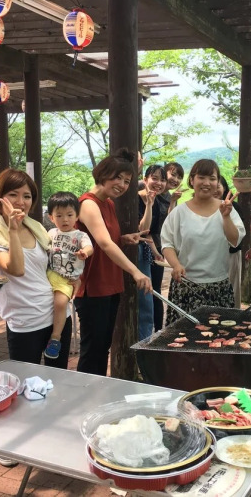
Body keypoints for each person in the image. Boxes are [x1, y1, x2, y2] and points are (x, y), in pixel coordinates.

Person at [0, 169, 73, 370]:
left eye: (27, 196)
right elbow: (16, 269)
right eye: (13, 194)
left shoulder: (35, 227)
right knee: (26, 381)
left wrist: (72, 278)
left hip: (57, 316)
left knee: (59, 377)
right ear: (0, 197)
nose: (21, 202)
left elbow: (50, 266)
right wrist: (12, 229)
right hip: (25, 322)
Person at [74, 148, 152, 376]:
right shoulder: (88, 204)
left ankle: (97, 389)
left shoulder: (107, 203)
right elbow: (105, 244)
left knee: (102, 347)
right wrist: (135, 271)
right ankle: (85, 392)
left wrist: (124, 238)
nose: (122, 185)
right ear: (103, 173)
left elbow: (106, 240)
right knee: (92, 350)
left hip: (110, 283)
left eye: (127, 181)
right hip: (93, 286)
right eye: (118, 177)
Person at [161, 159, 245, 324]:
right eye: (201, 177)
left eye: (212, 178)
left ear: (218, 182)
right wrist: (176, 265)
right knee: (183, 335)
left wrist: (226, 217)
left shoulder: (226, 209)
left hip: (219, 286)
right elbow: (167, 243)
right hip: (186, 285)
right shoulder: (179, 212)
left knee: (219, 335)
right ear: (192, 180)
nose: (207, 183)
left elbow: (235, 240)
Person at [44, 192, 93, 359]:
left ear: (77, 216)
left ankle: (55, 338)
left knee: (60, 303)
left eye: (69, 215)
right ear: (51, 217)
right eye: (59, 215)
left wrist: (84, 252)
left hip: (66, 279)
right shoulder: (51, 233)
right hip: (49, 273)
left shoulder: (80, 235)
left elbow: (89, 247)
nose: (65, 219)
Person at [150, 162, 185, 330]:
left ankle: (158, 329)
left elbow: (168, 224)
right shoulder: (151, 192)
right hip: (147, 244)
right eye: (173, 174)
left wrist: (172, 202)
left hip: (159, 246)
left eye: (179, 177)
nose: (175, 179)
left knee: (155, 289)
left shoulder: (170, 197)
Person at [137, 165, 167, 340]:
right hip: (134, 252)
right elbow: (142, 229)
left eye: (162, 180)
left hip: (146, 250)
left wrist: (156, 252)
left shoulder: (155, 201)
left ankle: (149, 337)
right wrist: (148, 205)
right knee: (144, 299)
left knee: (150, 296)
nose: (159, 183)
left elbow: (149, 235)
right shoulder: (135, 198)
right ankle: (143, 339)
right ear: (145, 179)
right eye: (154, 178)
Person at [216, 175, 244, 308]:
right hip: (213, 256)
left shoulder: (234, 207)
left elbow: (238, 236)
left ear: (224, 188)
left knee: (232, 287)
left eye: (218, 186)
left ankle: (234, 314)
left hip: (231, 254)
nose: (214, 189)